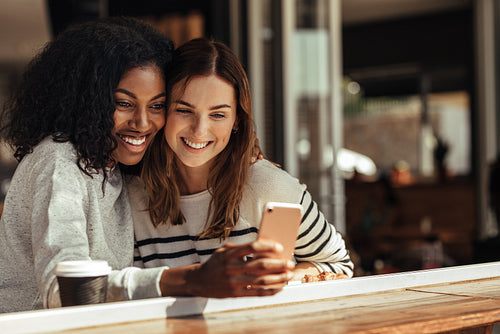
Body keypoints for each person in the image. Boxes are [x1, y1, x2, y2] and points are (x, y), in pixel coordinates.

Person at [128, 38, 354, 298]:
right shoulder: (133, 195)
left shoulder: (267, 187)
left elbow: (339, 265)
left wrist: (277, 281)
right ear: (163, 109)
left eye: (218, 115)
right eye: (183, 110)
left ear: (237, 120)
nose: (199, 130)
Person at [0, 17, 176, 313]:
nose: (143, 123)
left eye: (157, 105)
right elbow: (66, 290)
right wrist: (178, 281)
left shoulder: (115, 167)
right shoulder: (59, 161)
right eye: (123, 103)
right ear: (87, 101)